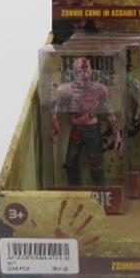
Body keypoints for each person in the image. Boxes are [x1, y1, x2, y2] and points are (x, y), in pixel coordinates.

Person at [51, 57, 122, 185]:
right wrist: (55, 125)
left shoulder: (99, 89)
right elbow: (56, 108)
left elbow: (110, 112)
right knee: (70, 163)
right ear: (74, 72)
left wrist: (117, 134)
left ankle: (100, 191)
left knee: (96, 163)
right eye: (79, 71)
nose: (83, 75)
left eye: (86, 71)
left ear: (90, 71)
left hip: (92, 128)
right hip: (76, 129)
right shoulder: (66, 89)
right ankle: (75, 191)